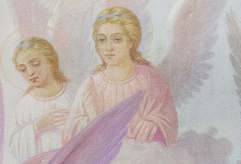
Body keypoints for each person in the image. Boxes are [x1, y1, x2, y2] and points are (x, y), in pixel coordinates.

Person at [65, 7, 177, 144]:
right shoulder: (91, 85)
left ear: (131, 42)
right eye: (102, 40)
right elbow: (69, 133)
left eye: (117, 39)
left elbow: (169, 123)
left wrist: (153, 124)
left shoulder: (151, 79)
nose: (108, 48)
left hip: (143, 152)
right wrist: (92, 121)